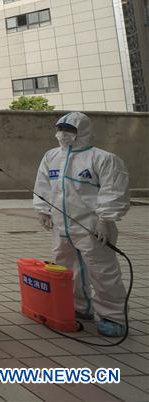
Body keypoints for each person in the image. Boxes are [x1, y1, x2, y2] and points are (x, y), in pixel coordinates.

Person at [33, 112, 130, 337]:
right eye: (60, 129)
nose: (63, 134)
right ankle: (80, 307)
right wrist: (42, 209)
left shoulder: (103, 158)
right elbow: (43, 184)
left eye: (69, 130)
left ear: (82, 131)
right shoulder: (51, 156)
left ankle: (113, 316)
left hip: (93, 227)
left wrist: (105, 219)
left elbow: (114, 190)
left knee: (102, 271)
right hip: (61, 227)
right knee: (68, 269)